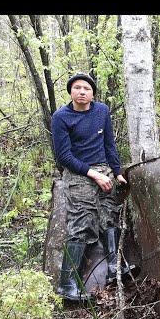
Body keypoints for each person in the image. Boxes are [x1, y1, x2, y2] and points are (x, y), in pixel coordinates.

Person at [52, 73, 127, 301]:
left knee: (109, 216)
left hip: (104, 170)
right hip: (78, 173)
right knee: (82, 221)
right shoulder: (61, 117)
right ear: (71, 92)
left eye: (86, 88)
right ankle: (67, 284)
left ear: (93, 92)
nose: (82, 91)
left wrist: (117, 172)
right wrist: (93, 174)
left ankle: (115, 267)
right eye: (77, 88)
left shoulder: (102, 111)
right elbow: (64, 156)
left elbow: (109, 144)